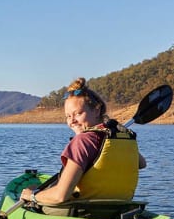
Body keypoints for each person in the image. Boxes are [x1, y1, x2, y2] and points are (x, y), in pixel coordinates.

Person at [20, 78, 146, 209]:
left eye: (78, 114)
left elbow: (60, 196)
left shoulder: (82, 141)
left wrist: (32, 196)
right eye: (68, 116)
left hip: (85, 212)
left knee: (36, 194)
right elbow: (141, 164)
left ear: (97, 110)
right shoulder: (119, 136)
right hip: (119, 210)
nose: (72, 121)